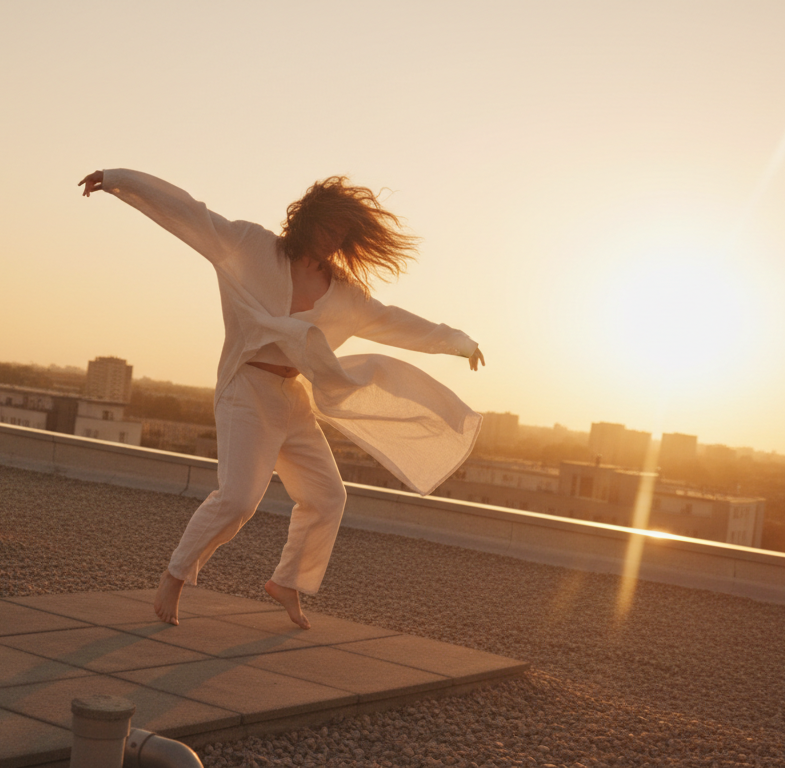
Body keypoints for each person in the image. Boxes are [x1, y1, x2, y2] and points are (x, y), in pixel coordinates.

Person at [79, 169, 485, 629]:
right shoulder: (251, 248)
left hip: (294, 398)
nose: (333, 240)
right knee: (237, 500)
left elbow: (396, 321)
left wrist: (459, 342)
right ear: (306, 219)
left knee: (328, 496)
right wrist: (118, 181)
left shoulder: (346, 294)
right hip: (246, 390)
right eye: (328, 228)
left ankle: (287, 582)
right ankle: (176, 575)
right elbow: (189, 214)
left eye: (342, 234)